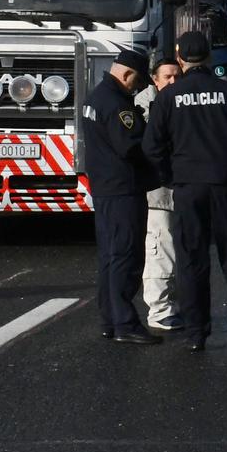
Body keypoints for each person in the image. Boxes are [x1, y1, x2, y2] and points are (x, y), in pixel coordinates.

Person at [142, 30, 227, 352]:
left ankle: (196, 333)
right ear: (210, 57)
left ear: (180, 57)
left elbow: (152, 146)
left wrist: (171, 175)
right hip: (226, 185)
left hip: (187, 187)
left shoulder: (169, 97)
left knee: (192, 259)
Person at [82, 47, 161, 345]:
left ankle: (110, 319)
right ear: (127, 74)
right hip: (123, 189)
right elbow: (132, 146)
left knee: (109, 257)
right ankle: (125, 322)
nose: (137, 88)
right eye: (137, 82)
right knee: (126, 257)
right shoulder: (117, 105)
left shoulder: (95, 97)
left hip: (104, 189)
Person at [135, 57, 184, 332]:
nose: (173, 81)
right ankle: (159, 308)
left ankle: (172, 306)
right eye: (167, 76)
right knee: (160, 248)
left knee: (173, 249)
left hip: (175, 189)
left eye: (177, 76)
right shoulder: (146, 105)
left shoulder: (175, 101)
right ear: (155, 79)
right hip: (158, 192)